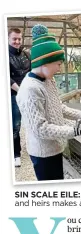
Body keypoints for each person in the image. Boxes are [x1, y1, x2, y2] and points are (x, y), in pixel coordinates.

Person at [17, 25, 81, 181]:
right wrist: (75, 130)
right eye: (58, 64)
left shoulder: (48, 80)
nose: (59, 69)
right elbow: (40, 129)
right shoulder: (30, 89)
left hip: (55, 147)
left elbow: (57, 106)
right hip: (43, 153)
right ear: (45, 62)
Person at [8, 28, 31, 167]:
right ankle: (16, 154)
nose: (17, 41)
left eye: (19, 39)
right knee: (15, 126)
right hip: (14, 95)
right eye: (14, 39)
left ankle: (33, 147)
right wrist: (20, 90)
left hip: (29, 94)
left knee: (32, 122)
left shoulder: (27, 55)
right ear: (9, 39)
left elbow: (33, 72)